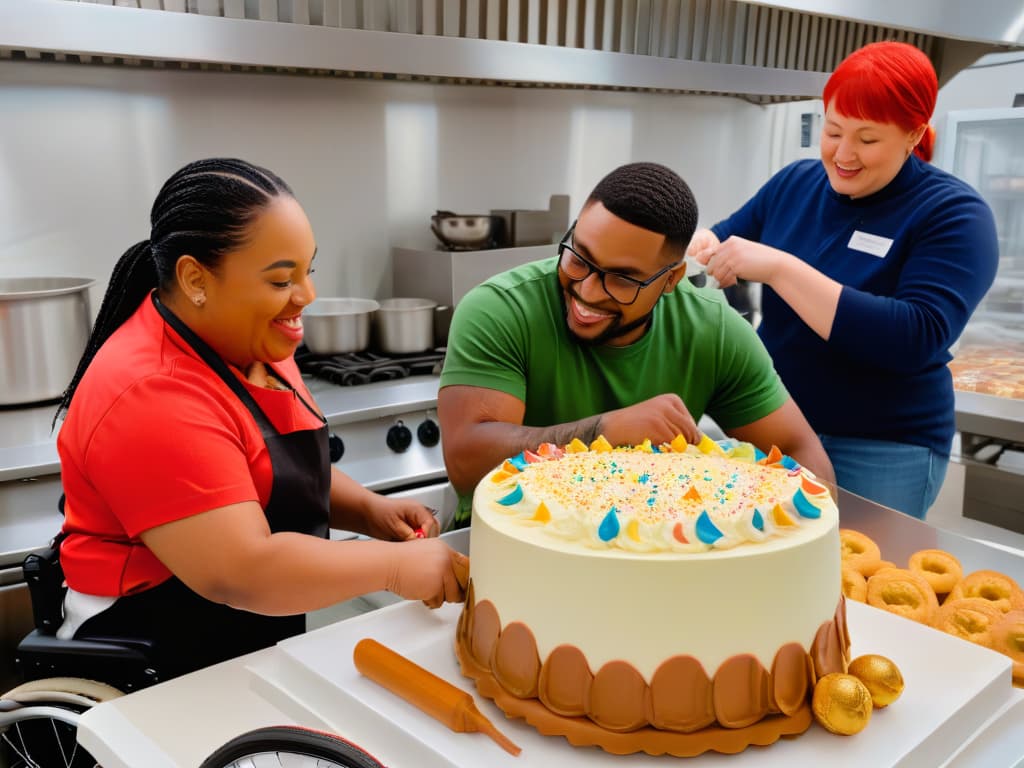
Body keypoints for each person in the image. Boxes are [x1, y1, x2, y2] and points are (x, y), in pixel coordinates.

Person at [52, 158, 467, 681]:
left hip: (243, 634)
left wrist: (366, 510)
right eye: (280, 280)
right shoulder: (151, 391)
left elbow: (265, 470)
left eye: (307, 271)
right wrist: (392, 568)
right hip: (155, 650)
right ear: (195, 277)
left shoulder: (253, 340)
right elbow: (241, 569)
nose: (306, 297)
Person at [686, 42, 999, 520]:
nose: (844, 154)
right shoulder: (796, 183)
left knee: (857, 580)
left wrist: (780, 268)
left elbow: (914, 336)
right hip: (776, 428)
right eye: (833, 131)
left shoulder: (953, 214)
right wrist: (700, 243)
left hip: (883, 448)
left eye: (868, 139)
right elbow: (725, 237)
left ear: (914, 134)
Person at [438, 161, 834, 525]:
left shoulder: (712, 329)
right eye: (579, 257)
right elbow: (467, 464)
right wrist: (601, 432)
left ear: (670, 281)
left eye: (623, 279)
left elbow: (800, 453)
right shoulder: (499, 310)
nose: (587, 291)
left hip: (656, 565)